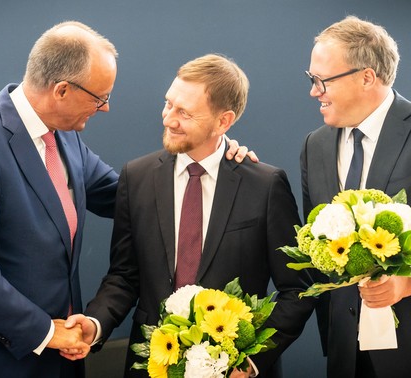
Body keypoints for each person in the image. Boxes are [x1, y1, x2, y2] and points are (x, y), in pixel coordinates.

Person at [0, 21, 251, 378]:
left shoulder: (64, 137)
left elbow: (134, 198)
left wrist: (212, 161)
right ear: (62, 90)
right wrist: (46, 331)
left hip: (62, 356)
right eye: (99, 97)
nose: (105, 108)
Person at [68, 53, 316, 378]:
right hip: (152, 366)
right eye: (168, 104)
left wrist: (252, 359)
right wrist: (94, 323)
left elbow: (298, 288)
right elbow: (124, 276)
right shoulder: (137, 177)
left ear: (223, 121)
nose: (169, 119)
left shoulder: (266, 186)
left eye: (184, 112)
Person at [301, 15, 411, 378]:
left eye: (321, 80)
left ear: (366, 77)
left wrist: (410, 282)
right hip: (346, 356)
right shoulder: (316, 146)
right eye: (311, 79)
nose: (314, 91)